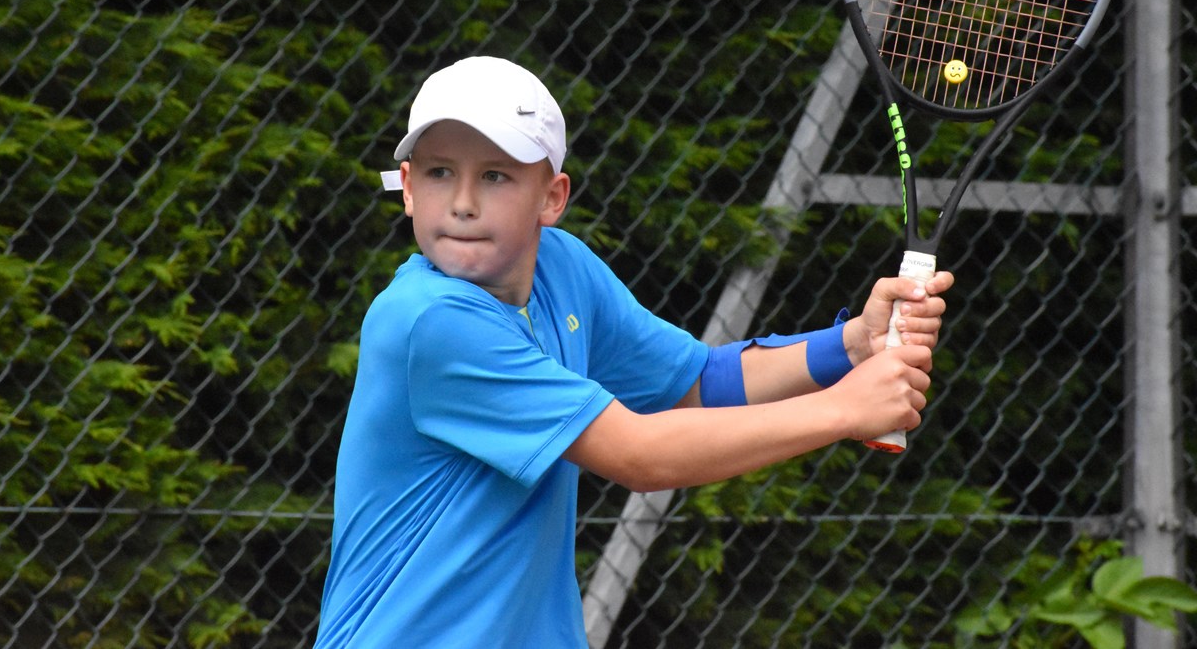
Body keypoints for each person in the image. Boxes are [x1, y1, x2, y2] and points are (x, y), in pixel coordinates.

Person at [313, 56, 954, 648]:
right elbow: (638, 454)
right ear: (406, 186)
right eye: (439, 171)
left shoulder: (561, 269)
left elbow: (696, 382)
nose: (461, 201)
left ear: (551, 199)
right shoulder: (430, 321)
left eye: (497, 175)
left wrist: (850, 345)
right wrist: (843, 410)